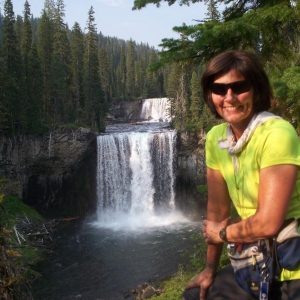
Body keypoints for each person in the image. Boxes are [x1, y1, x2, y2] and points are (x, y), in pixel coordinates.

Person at [183, 50, 300, 300]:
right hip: (257, 261)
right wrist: (209, 269)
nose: (229, 97)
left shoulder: (277, 133)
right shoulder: (216, 138)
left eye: (240, 87)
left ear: (256, 89)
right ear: (209, 93)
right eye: (219, 88)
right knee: (195, 295)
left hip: (295, 265)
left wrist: (222, 234)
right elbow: (217, 213)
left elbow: (268, 223)